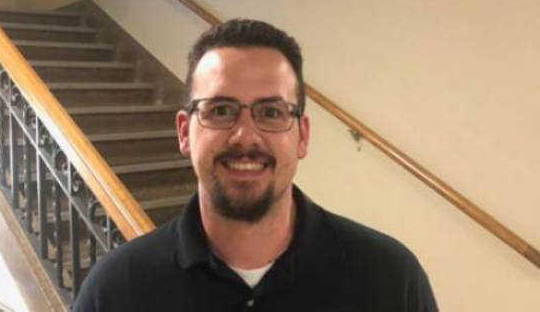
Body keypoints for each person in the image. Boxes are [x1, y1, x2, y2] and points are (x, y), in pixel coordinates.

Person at [74, 19, 438, 312]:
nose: (245, 136)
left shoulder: (390, 279)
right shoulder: (116, 290)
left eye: (271, 112)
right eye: (220, 111)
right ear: (185, 133)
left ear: (303, 136)